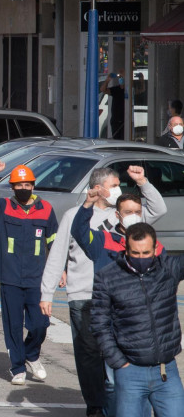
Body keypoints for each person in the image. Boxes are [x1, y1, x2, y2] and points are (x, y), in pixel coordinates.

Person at [41, 166, 166, 416]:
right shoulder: (75, 216)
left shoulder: (124, 216)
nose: (118, 188)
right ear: (97, 188)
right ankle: (95, 405)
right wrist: (47, 292)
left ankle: (115, 405)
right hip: (83, 296)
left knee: (114, 358)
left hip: (116, 300)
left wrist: (142, 182)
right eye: (113, 184)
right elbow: (57, 254)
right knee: (88, 356)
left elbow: (159, 210)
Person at [0, 160, 58, 385]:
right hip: (10, 277)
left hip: (37, 278)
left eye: (26, 184)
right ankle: (18, 367)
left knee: (40, 324)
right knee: (12, 325)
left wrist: (62, 270)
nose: (23, 188)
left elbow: (54, 243)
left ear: (33, 185)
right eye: (18, 185)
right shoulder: (2, 207)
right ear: (12, 187)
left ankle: (32, 355)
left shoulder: (46, 209)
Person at [89, 222, 184, 417]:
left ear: (156, 248)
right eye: (135, 253)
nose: (141, 258)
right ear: (126, 249)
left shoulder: (168, 268)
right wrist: (117, 361)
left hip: (166, 370)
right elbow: (99, 323)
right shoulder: (107, 277)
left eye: (146, 253)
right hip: (130, 370)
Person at [101, 71, 125, 140]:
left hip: (125, 120)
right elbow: (103, 90)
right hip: (116, 120)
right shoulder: (116, 89)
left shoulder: (129, 88)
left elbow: (141, 90)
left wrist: (141, 80)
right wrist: (107, 80)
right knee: (116, 139)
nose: (121, 78)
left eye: (122, 77)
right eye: (120, 77)